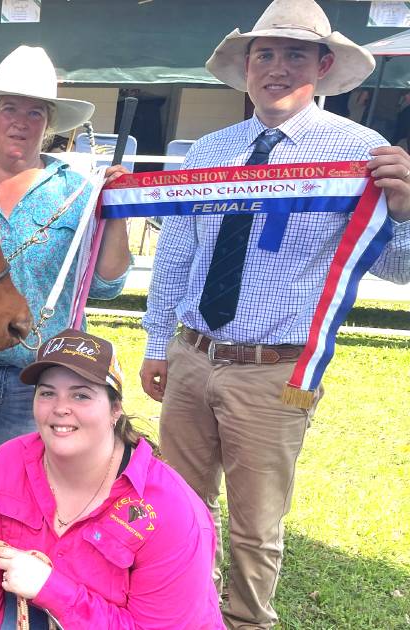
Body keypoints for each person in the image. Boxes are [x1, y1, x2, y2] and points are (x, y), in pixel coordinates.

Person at [139, 1, 410, 628]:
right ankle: (182, 614)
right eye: (266, 54)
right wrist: (158, 344)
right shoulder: (209, 152)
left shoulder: (359, 152)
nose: (278, 68)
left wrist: (403, 212)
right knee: (179, 506)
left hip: (276, 372)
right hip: (192, 352)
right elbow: (178, 254)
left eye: (294, 55)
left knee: (256, 523)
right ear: (247, 66)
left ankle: (247, 621)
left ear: (323, 63)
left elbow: (397, 268)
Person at [0, 45, 133, 621]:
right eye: (10, 108)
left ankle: (16, 594)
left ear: (49, 124)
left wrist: (117, 212)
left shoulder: (78, 191)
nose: (21, 122)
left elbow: (107, 287)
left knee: (28, 490)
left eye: (35, 112)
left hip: (39, 376)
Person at [0, 329, 223, 629]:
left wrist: (53, 590)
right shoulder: (3, 468)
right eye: (47, 393)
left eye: (81, 395)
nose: (60, 408)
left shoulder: (171, 511)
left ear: (115, 410)